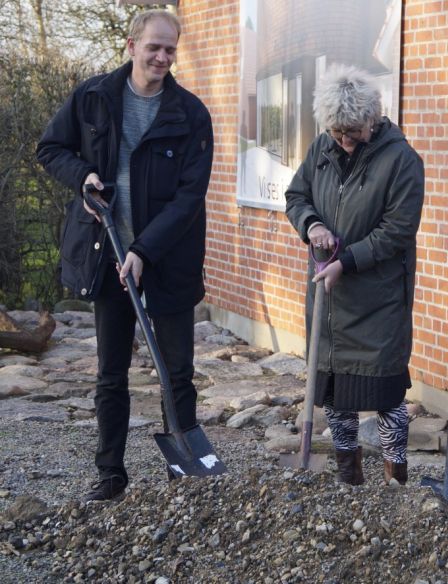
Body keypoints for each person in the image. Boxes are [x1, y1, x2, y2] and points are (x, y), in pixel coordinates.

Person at [37, 9, 213, 502]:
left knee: (176, 371)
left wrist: (143, 250)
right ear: (131, 45)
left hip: (168, 260)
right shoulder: (93, 97)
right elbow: (51, 148)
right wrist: (83, 178)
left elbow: (188, 198)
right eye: (153, 46)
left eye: (170, 49)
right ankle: (110, 473)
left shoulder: (191, 114)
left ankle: (187, 471)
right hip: (106, 254)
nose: (162, 56)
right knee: (111, 373)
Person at [285, 64, 424, 486]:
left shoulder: (401, 160)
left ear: (373, 118)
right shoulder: (321, 150)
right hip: (329, 301)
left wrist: (347, 260)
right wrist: (312, 225)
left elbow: (397, 231)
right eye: (337, 133)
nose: (346, 142)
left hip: (378, 299)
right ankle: (349, 479)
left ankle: (394, 480)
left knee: (385, 397)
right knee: (335, 396)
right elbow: (297, 195)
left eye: (354, 132)